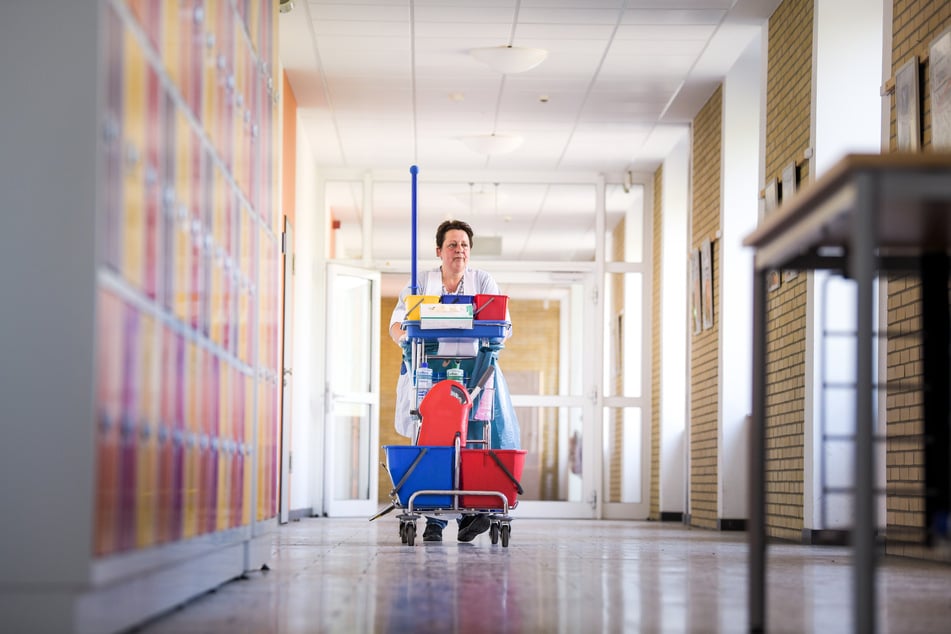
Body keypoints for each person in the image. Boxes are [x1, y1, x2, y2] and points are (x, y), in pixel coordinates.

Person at [389, 219, 516, 543]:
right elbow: (397, 324)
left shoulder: (483, 280)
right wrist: (407, 337)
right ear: (439, 251)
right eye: (452, 245)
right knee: (434, 437)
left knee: (476, 435)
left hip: (475, 368)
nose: (459, 250)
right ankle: (434, 519)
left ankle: (473, 512)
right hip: (432, 368)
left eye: (464, 245)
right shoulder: (421, 282)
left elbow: (503, 324)